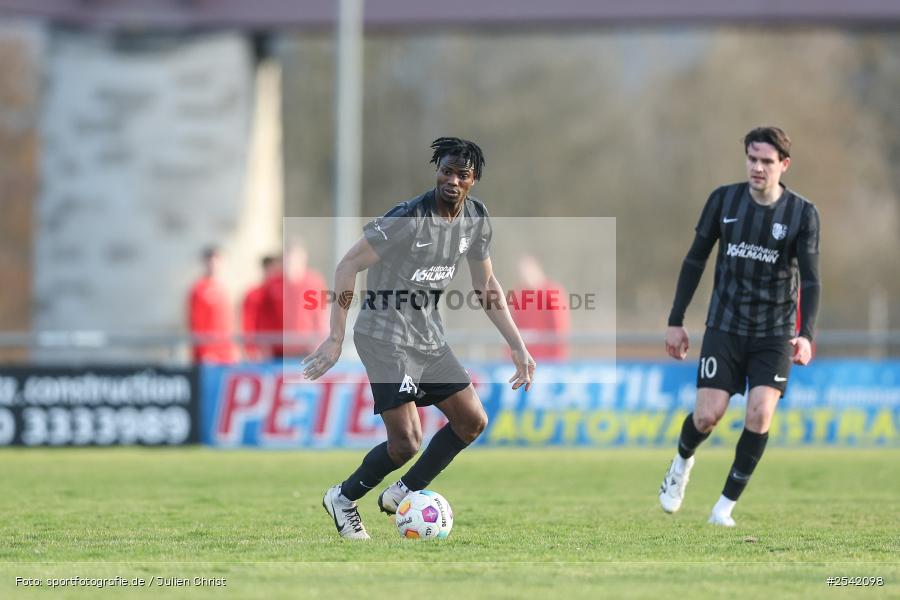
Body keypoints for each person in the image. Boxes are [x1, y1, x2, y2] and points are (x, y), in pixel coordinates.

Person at [304, 137, 536, 539]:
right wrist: (335, 337)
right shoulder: (408, 218)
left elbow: (486, 286)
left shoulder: (475, 219)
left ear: (473, 180)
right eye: (446, 171)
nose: (452, 180)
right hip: (384, 337)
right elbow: (348, 265)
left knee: (472, 421)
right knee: (407, 442)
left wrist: (517, 345)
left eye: (461, 175)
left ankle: (403, 492)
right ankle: (342, 498)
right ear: (437, 172)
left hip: (428, 337)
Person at [659, 126, 821, 527]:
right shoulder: (723, 200)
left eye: (766, 161)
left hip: (774, 332)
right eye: (752, 159)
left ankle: (723, 509)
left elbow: (812, 280)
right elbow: (695, 260)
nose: (757, 168)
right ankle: (681, 462)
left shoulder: (802, 214)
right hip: (725, 326)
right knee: (706, 416)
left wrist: (806, 335)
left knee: (760, 415)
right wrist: (676, 321)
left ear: (784, 165)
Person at [508, 254, 570, 360]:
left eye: (528, 271)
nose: (524, 276)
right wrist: (511, 357)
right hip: (525, 360)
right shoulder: (519, 295)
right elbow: (512, 327)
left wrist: (558, 360)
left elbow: (559, 328)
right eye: (521, 272)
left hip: (548, 359)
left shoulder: (552, 292)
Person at [187, 246, 239, 364]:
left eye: (217, 260)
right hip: (209, 355)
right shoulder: (199, 289)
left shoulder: (223, 288)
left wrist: (233, 348)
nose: (214, 265)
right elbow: (196, 323)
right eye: (210, 261)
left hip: (226, 353)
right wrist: (205, 352)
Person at [241, 255, 279, 361]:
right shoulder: (254, 294)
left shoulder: (282, 294)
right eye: (269, 269)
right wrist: (251, 348)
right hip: (263, 350)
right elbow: (248, 322)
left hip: (282, 348)